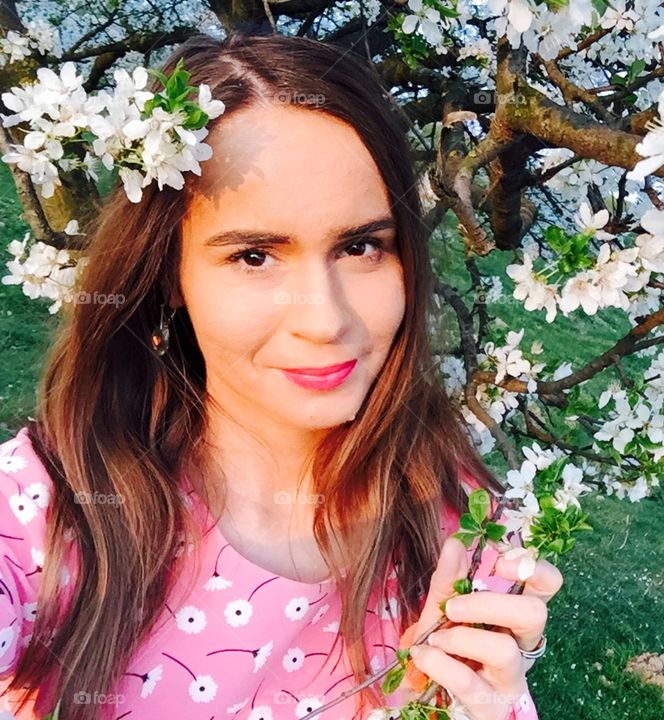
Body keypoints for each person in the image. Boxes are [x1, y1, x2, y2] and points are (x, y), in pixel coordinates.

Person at [0, 29, 562, 720]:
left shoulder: (458, 526)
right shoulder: (47, 511)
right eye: (254, 256)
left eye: (361, 246)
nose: (324, 320)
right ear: (170, 276)